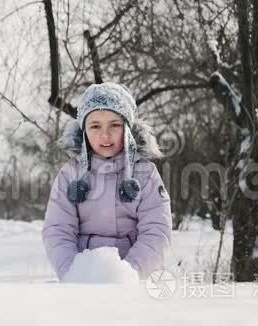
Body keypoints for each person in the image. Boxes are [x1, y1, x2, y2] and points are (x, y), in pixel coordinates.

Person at [42, 82, 172, 281]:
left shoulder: (145, 173)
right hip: (82, 278)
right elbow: (58, 230)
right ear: (84, 130)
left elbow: (157, 230)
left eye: (115, 125)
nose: (105, 134)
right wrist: (72, 274)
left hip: (133, 280)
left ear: (128, 129)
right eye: (95, 126)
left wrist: (130, 274)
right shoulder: (70, 174)